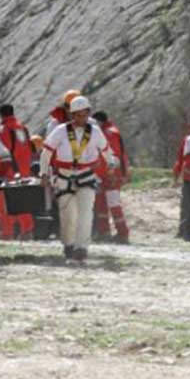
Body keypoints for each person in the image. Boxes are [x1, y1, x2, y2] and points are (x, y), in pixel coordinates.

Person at [39, 96, 112, 262]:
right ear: (72, 115)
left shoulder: (95, 131)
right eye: (77, 115)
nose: (80, 119)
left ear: (88, 114)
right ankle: (68, 243)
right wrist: (44, 173)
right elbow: (47, 152)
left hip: (86, 175)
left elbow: (106, 149)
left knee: (86, 212)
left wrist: (112, 163)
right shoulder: (60, 131)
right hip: (64, 175)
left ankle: (82, 248)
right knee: (68, 214)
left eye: (84, 115)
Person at [0, 104, 35, 240]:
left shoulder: (3, 129)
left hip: (9, 171)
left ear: (1, 115)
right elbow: (29, 150)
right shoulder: (22, 128)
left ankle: (7, 232)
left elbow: (1, 153)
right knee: (21, 202)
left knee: (3, 204)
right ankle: (27, 230)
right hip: (24, 171)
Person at [92, 111, 131, 244]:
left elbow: (114, 156)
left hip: (111, 175)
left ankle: (122, 233)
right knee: (101, 203)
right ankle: (104, 232)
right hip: (104, 174)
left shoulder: (109, 133)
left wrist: (113, 173)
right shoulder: (107, 131)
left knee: (113, 204)